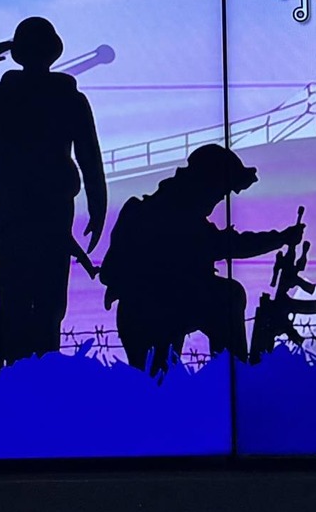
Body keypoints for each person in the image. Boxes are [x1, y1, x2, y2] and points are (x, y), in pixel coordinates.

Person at [0, 17, 105, 362]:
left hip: (19, 210)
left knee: (18, 297)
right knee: (45, 300)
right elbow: (90, 159)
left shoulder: (2, 97)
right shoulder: (67, 99)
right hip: (46, 210)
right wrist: (97, 206)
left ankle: (20, 370)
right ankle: (39, 369)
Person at [98, 143, 303, 374]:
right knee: (228, 296)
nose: (218, 201)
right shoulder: (177, 217)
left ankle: (229, 373)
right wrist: (281, 238)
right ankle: (230, 373)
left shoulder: (147, 209)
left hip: (146, 315)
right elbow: (228, 245)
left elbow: (109, 272)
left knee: (157, 381)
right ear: (205, 184)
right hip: (153, 317)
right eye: (219, 193)